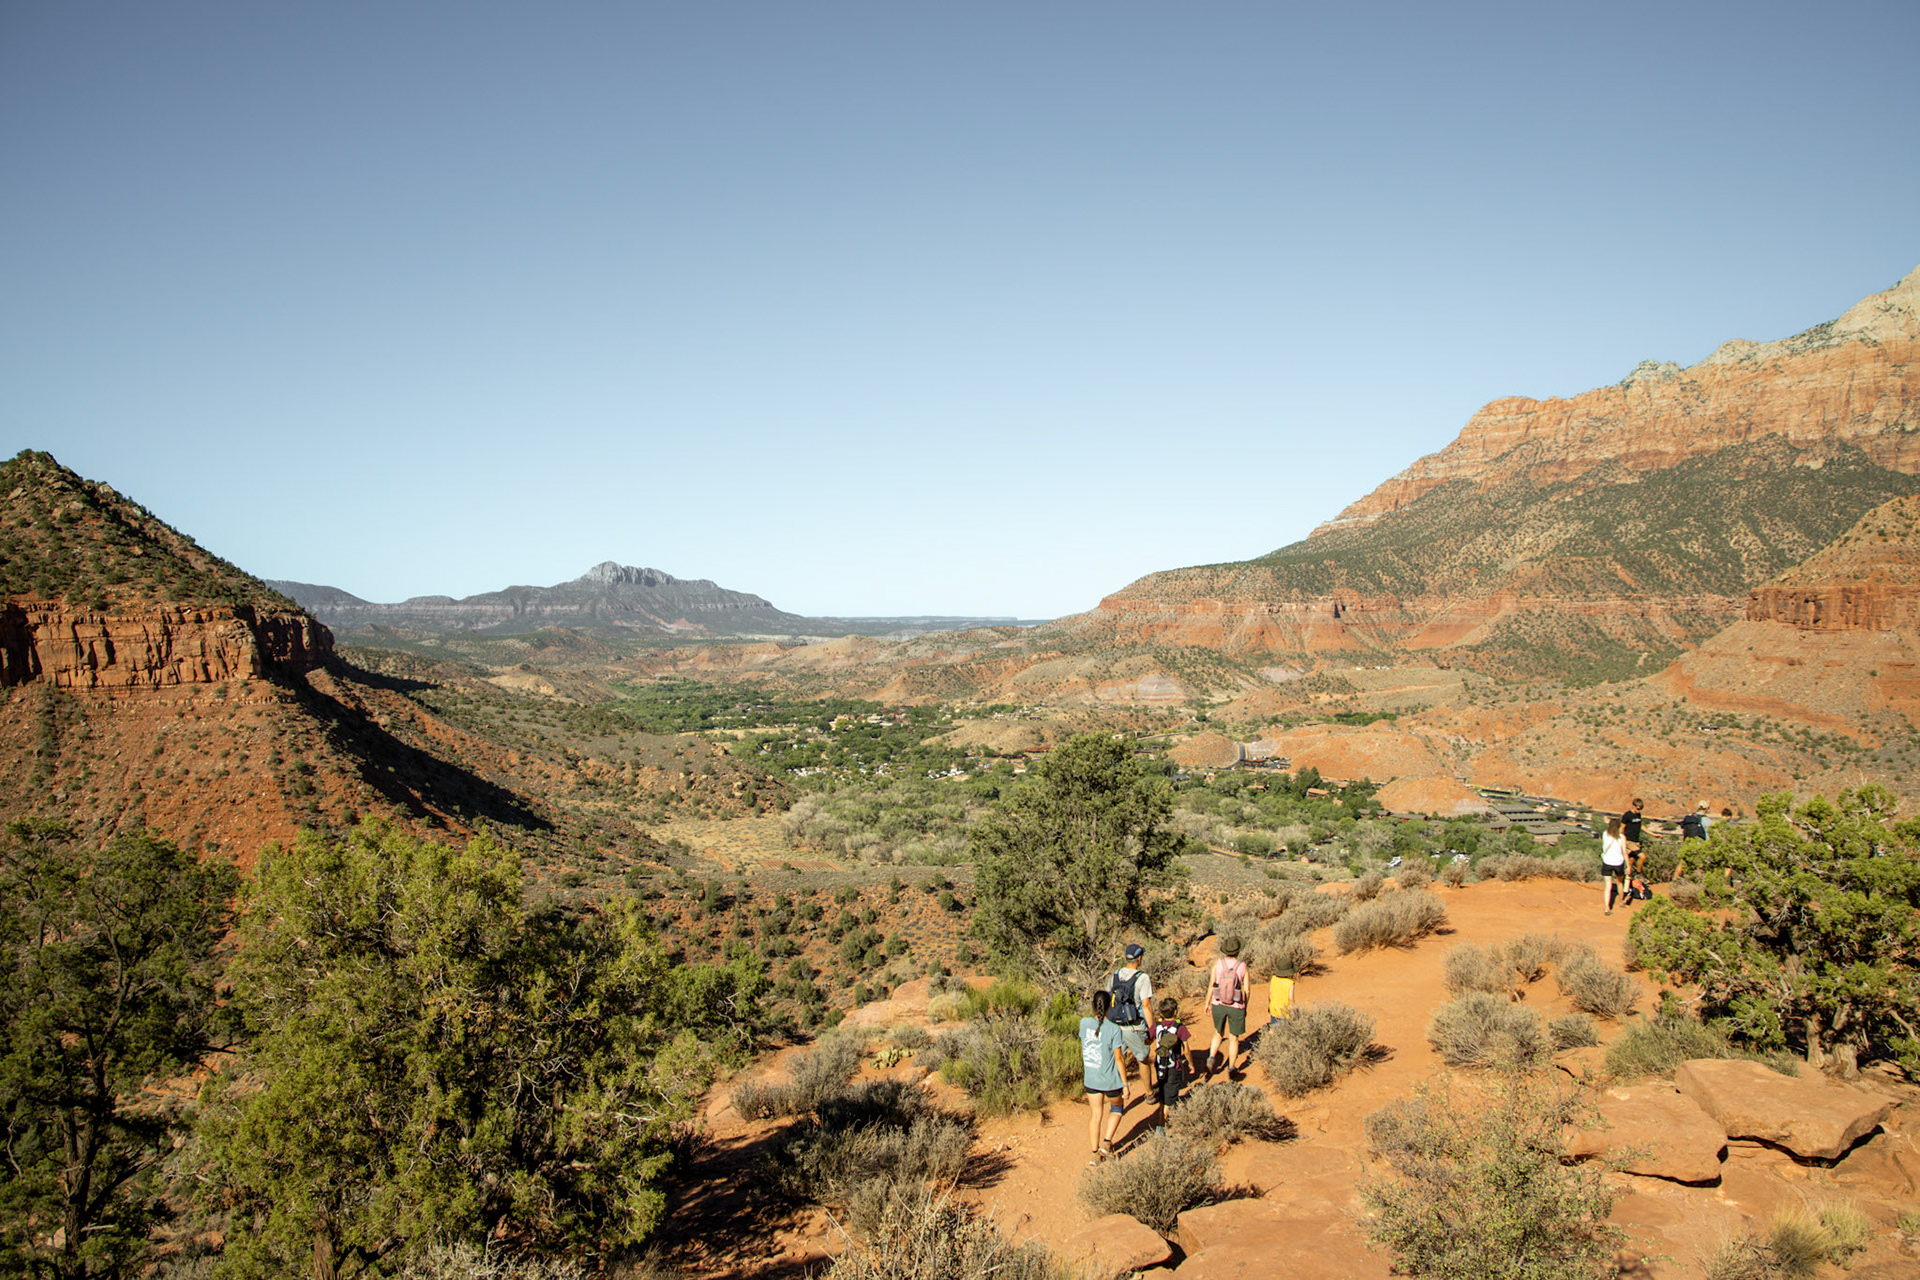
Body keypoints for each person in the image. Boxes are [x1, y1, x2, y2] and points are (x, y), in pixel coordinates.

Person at [1080, 988, 1130, 1162]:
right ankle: (1107, 1143)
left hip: (1091, 1079)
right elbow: (1118, 1058)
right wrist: (1125, 1084)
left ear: (1093, 1005)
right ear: (1110, 1007)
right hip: (1111, 1081)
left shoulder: (1083, 1024)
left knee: (1095, 1115)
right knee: (1117, 1108)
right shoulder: (1115, 1029)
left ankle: (1094, 1152)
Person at [1108, 942, 1155, 1087]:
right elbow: (1146, 1006)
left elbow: (1108, 998)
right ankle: (1148, 1092)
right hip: (1134, 1026)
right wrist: (1152, 1029)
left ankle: (1118, 1093)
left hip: (1115, 1025)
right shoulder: (1142, 977)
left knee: (1117, 1059)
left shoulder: (1115, 975)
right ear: (1139, 958)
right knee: (1143, 1059)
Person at [1205, 936, 1250, 1078]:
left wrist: (1207, 1002)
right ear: (1237, 951)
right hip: (1236, 1006)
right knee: (1233, 1038)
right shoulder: (1242, 966)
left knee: (1218, 1032)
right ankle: (1231, 1067)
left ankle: (1211, 1058)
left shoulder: (1217, 964)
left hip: (1218, 1003)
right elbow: (1247, 990)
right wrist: (1245, 1006)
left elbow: (1212, 985)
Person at [1148, 996, 1192, 1127]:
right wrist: (1191, 1064)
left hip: (1159, 1063)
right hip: (1174, 1066)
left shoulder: (1156, 1026)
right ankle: (1161, 1127)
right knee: (1169, 1098)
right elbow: (1187, 1049)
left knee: (1163, 1090)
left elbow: (1147, 1040)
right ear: (1176, 1012)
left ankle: (1162, 1118)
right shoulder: (1180, 1028)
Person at [1601, 817, 1628, 915]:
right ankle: (1621, 901)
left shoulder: (1605, 834)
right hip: (1618, 862)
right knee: (1620, 882)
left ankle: (1607, 907)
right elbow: (1624, 852)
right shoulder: (1621, 837)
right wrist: (1628, 866)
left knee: (1608, 885)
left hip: (1607, 862)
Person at [1620, 798, 1646, 880]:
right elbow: (1622, 828)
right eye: (1638, 808)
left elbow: (1641, 826)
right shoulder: (1627, 815)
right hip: (1629, 841)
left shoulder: (1638, 815)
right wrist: (1620, 840)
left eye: (1641, 808)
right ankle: (1639, 874)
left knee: (1631, 861)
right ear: (1633, 806)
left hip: (1636, 841)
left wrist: (1654, 834)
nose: (1639, 810)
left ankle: (1627, 883)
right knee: (1642, 856)